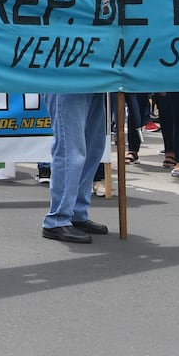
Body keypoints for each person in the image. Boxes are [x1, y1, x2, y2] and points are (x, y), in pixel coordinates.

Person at [40, 92, 110, 244]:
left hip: (94, 80)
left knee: (93, 149)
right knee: (70, 150)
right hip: (67, 79)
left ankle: (76, 212)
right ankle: (58, 218)